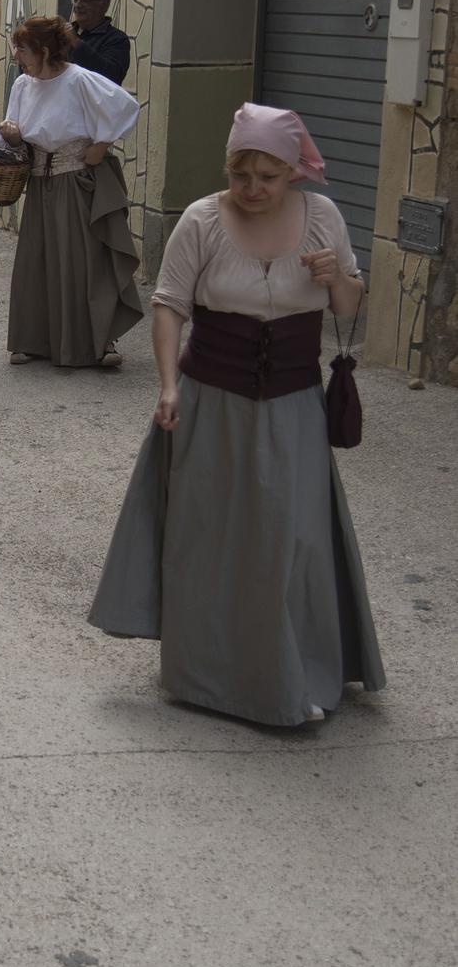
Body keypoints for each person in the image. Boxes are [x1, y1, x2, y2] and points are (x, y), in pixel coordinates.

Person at [89, 103, 385, 727]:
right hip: (210, 400)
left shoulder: (322, 217)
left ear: (293, 173)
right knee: (212, 541)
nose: (252, 189)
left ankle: (290, 673)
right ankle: (210, 678)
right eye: (241, 174)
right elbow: (169, 306)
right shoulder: (202, 220)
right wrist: (168, 386)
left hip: (292, 404)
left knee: (291, 537)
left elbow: (351, 306)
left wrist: (337, 279)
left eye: (268, 177)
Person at [0, 14, 142, 370]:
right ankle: (34, 341)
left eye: (23, 50)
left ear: (44, 50)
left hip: (74, 179)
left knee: (82, 264)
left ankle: (98, 341)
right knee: (38, 261)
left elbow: (125, 106)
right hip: (39, 181)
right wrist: (12, 133)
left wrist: (102, 145)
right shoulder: (22, 85)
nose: (18, 57)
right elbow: (16, 131)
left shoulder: (78, 80)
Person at [70, 0, 130, 86]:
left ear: (103, 4)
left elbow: (111, 76)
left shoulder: (117, 40)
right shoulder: (63, 33)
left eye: (85, 0)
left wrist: (76, 43)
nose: (77, 5)